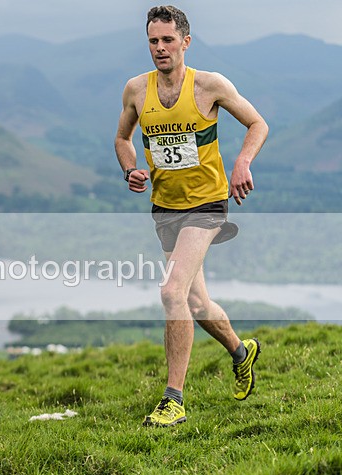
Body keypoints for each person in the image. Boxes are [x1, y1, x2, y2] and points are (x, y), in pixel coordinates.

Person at [114, 5, 268, 427]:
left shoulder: (209, 85)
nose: (160, 48)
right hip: (166, 207)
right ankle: (241, 351)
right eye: (153, 41)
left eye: (167, 40)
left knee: (170, 292)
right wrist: (131, 168)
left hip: (207, 205)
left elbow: (258, 124)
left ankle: (173, 400)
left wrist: (242, 164)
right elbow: (122, 138)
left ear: (186, 41)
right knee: (196, 301)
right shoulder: (135, 90)